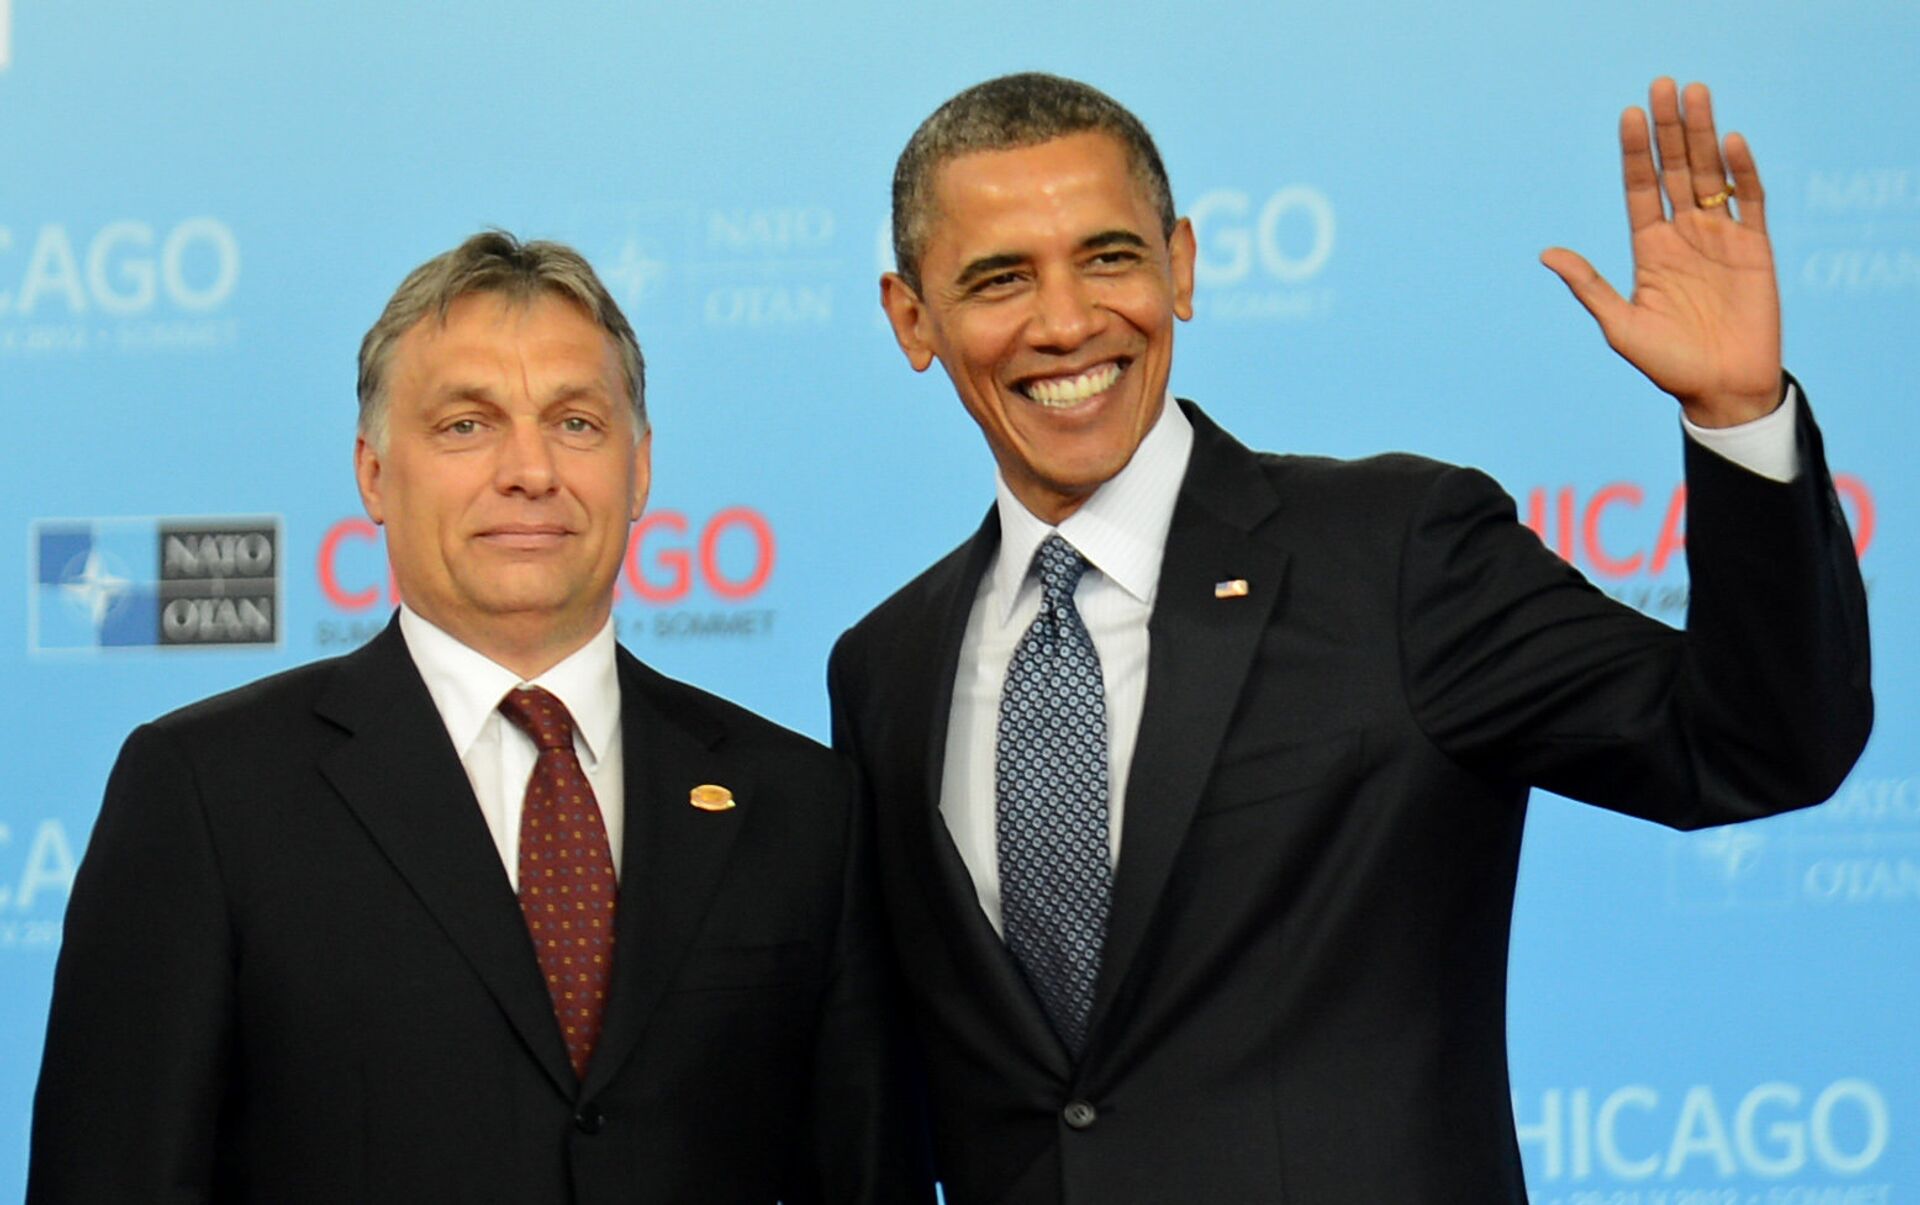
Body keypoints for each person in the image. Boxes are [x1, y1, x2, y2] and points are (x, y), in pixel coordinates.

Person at [829, 73, 1872, 1203]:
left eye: (1109, 257)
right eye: (1001, 279)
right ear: (912, 318)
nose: (1069, 320)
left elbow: (1757, 744)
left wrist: (1737, 418)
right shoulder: (888, 666)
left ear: (1181, 265)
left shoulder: (1396, 555)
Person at [31, 232, 930, 1204]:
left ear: (639, 469)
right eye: (466, 424)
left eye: (577, 422)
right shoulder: (207, 792)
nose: (530, 470)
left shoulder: (799, 803)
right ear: (374, 473)